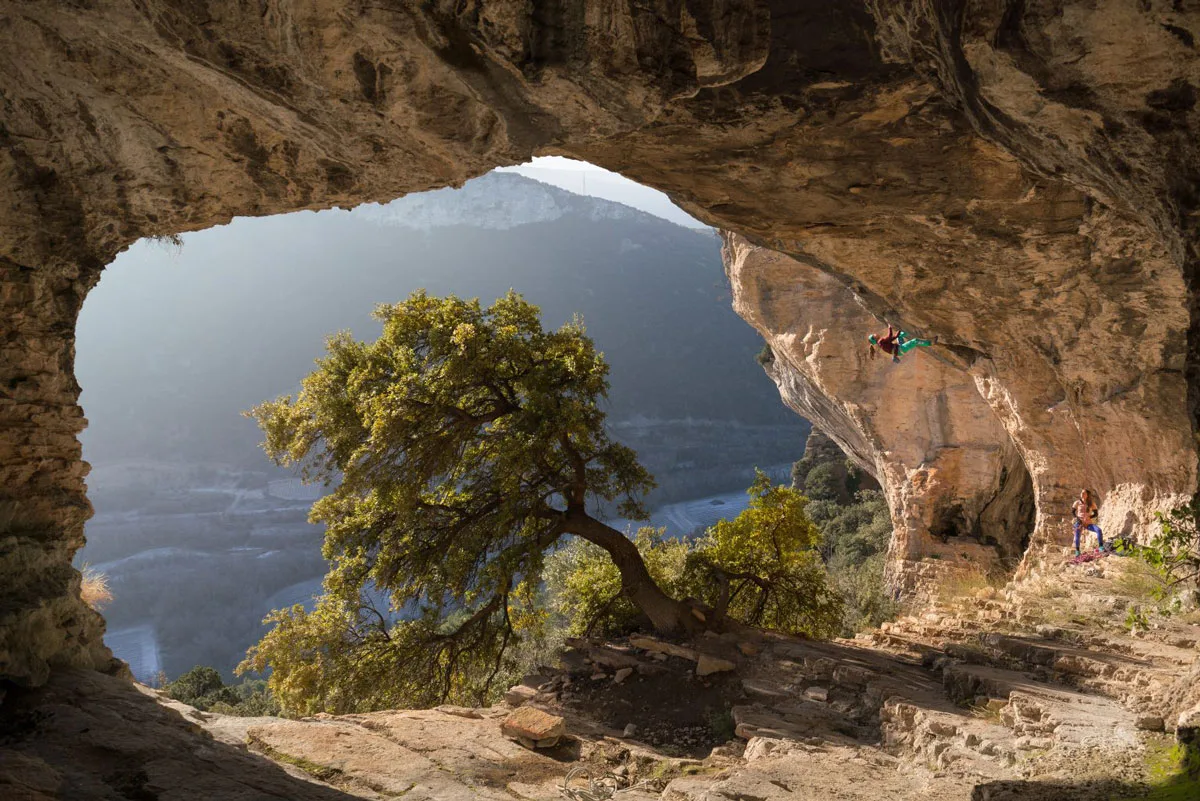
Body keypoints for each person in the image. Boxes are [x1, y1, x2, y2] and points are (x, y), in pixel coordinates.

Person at [868, 326, 936, 364]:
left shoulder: (881, 343)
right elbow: (890, 336)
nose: (875, 334)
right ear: (874, 338)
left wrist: (898, 332)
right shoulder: (880, 341)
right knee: (915, 341)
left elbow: (892, 338)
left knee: (900, 335)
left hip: (898, 348)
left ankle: (912, 331)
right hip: (900, 349)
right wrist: (890, 327)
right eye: (874, 335)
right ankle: (930, 343)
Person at [1071, 489, 1105, 555]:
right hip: (1079, 522)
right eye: (1081, 493)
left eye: (1084, 493)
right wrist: (1078, 519)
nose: (1082, 494)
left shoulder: (1092, 503)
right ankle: (1077, 551)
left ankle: (1101, 547)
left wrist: (1089, 517)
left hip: (1088, 523)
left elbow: (1096, 514)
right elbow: (1073, 512)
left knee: (1098, 530)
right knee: (1077, 535)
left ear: (1087, 495)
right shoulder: (1077, 502)